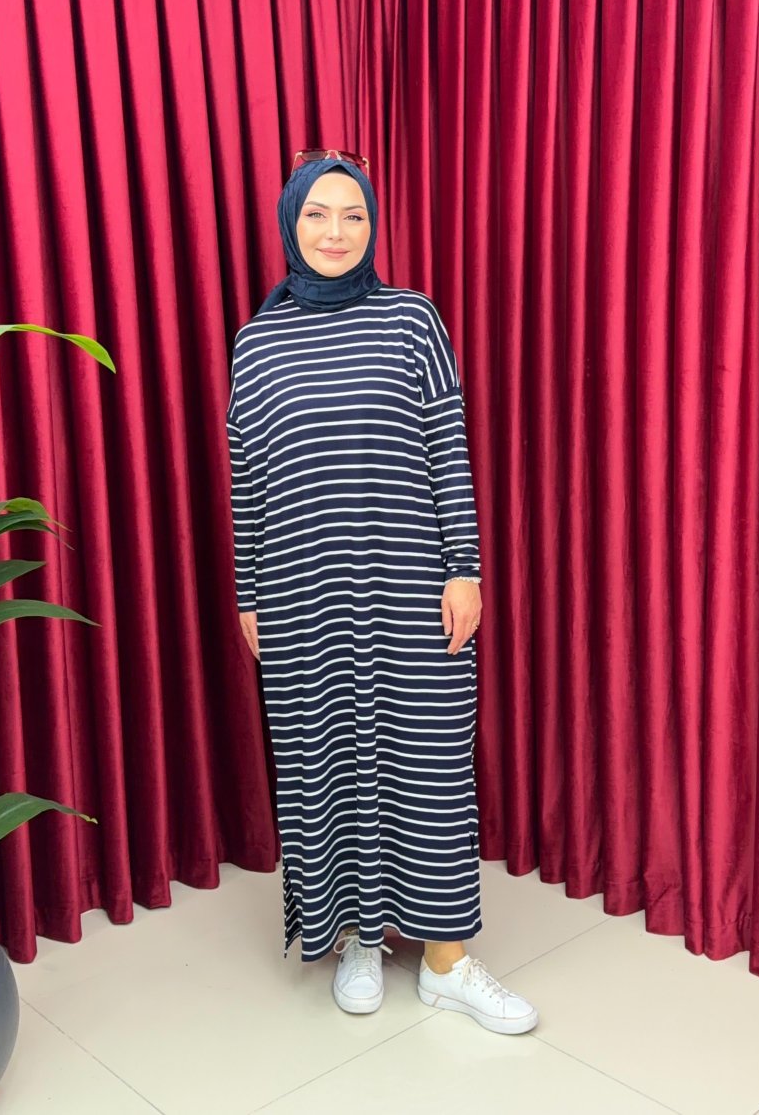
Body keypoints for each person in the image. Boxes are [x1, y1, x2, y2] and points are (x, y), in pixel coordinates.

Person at [225, 149, 539, 1034]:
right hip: (300, 587)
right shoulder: (257, 342)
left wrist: (465, 566)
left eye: (354, 214)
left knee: (428, 761)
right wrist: (249, 592)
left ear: (372, 224)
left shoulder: (412, 320)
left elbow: (447, 446)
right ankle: (359, 936)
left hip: (410, 580)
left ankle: (445, 961)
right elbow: (247, 476)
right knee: (327, 756)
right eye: (318, 214)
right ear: (291, 223)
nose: (336, 231)